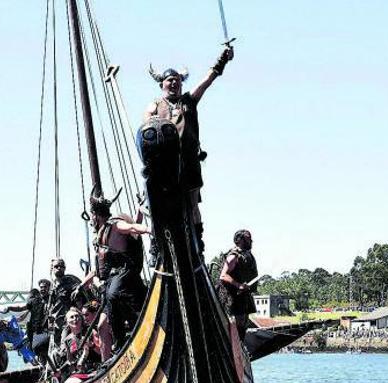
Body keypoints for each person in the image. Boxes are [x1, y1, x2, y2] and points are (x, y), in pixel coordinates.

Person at [143, 46, 234, 254]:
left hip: (189, 162)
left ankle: (197, 240)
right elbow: (146, 124)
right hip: (164, 166)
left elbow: (208, 79)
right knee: (156, 206)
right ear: (162, 84)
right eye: (169, 80)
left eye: (177, 79)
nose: (174, 82)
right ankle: (157, 243)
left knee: (193, 204)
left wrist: (223, 59)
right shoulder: (155, 105)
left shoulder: (189, 101)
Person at [79, 196, 149, 352]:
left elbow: (133, 228)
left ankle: (134, 334)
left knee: (113, 295)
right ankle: (119, 344)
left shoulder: (114, 225)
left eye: (92, 215)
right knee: (109, 306)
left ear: (96, 214)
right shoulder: (103, 235)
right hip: (114, 278)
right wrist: (83, 284)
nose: (91, 219)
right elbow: (99, 269)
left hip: (125, 274)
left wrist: (149, 230)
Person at [219, 230, 258, 341]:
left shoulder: (247, 255)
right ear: (240, 240)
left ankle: (240, 349)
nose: (251, 241)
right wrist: (238, 285)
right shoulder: (233, 256)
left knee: (243, 325)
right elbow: (223, 275)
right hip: (234, 298)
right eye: (248, 238)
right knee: (236, 326)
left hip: (243, 298)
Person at [45, 259, 82, 344]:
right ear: (52, 268)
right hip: (56, 324)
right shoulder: (52, 285)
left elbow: (80, 296)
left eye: (61, 266)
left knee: (64, 347)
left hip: (68, 322)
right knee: (55, 351)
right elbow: (51, 305)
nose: (59, 268)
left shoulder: (71, 281)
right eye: (56, 266)